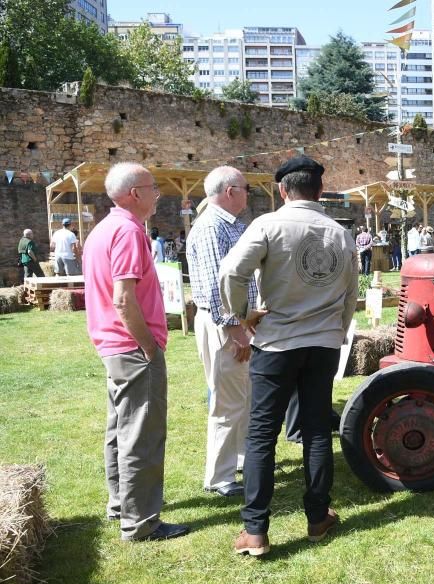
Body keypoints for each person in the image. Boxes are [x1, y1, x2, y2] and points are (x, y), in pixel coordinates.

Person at [220, 156, 358, 557]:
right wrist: (337, 329)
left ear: (283, 190)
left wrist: (244, 317)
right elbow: (350, 295)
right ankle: (317, 518)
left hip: (277, 342)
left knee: (262, 433)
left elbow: (231, 274)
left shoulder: (268, 225)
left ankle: (256, 530)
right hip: (323, 343)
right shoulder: (340, 233)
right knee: (316, 431)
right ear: (319, 190)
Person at [82, 162, 188, 542]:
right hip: (131, 346)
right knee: (141, 434)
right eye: (153, 187)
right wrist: (148, 347)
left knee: (120, 430)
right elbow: (124, 299)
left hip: (113, 344)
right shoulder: (126, 231)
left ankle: (121, 505)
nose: (158, 193)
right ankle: (141, 522)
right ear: (134, 194)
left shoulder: (104, 229)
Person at [187, 166, 257, 499]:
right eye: (246, 188)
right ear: (230, 191)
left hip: (232, 324)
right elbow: (218, 286)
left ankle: (238, 460)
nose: (248, 194)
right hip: (224, 326)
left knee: (239, 397)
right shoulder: (212, 227)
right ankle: (220, 477)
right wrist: (235, 331)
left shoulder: (225, 225)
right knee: (228, 402)